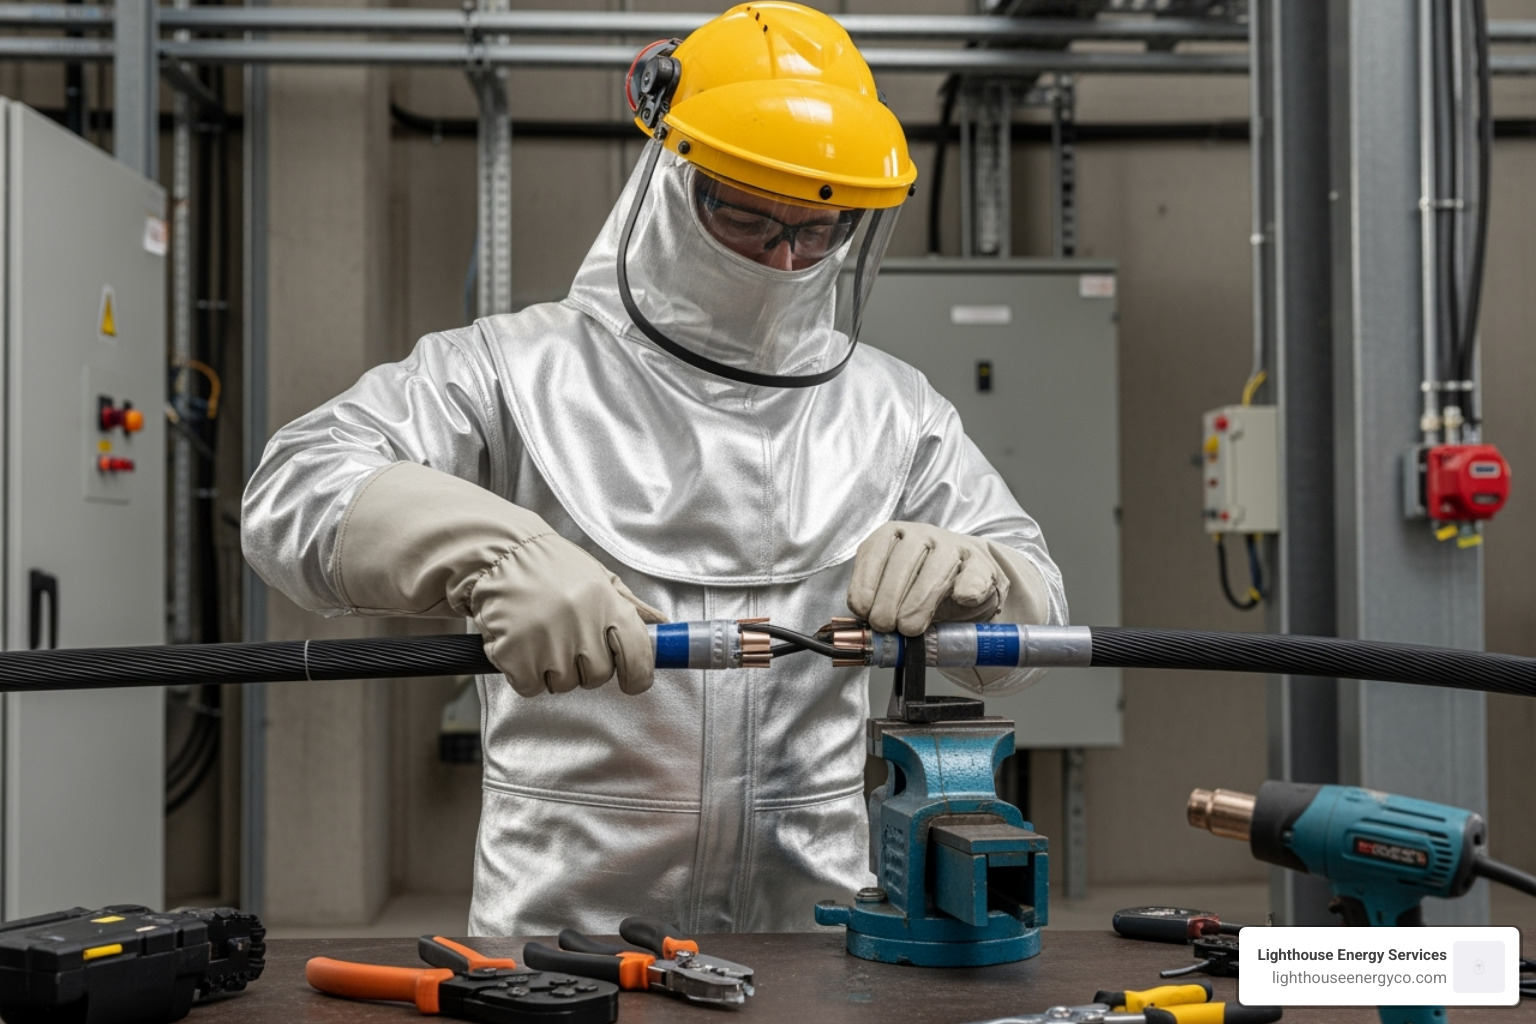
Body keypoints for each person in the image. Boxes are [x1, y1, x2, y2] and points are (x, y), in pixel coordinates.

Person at [241, 1, 1066, 937]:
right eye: (746, 215)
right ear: (670, 180)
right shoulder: (516, 369)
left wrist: (985, 585)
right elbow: (292, 489)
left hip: (820, 934)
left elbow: (1040, 617)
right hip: (567, 937)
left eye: (818, 229)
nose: (784, 258)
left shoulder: (892, 407)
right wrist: (492, 548)